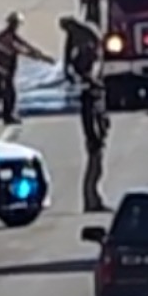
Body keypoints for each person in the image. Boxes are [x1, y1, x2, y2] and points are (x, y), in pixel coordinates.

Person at [60, 16, 109, 212]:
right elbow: (91, 118)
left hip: (97, 133)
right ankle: (90, 199)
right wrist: (95, 136)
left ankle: (94, 198)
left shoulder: (86, 34)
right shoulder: (90, 97)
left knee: (98, 167)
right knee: (94, 165)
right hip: (94, 138)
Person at [0, 12, 53, 125]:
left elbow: (25, 44)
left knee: (2, 93)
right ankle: (0, 115)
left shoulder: (8, 35)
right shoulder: (6, 38)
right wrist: (41, 58)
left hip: (1, 70)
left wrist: (42, 55)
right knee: (5, 93)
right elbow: (22, 50)